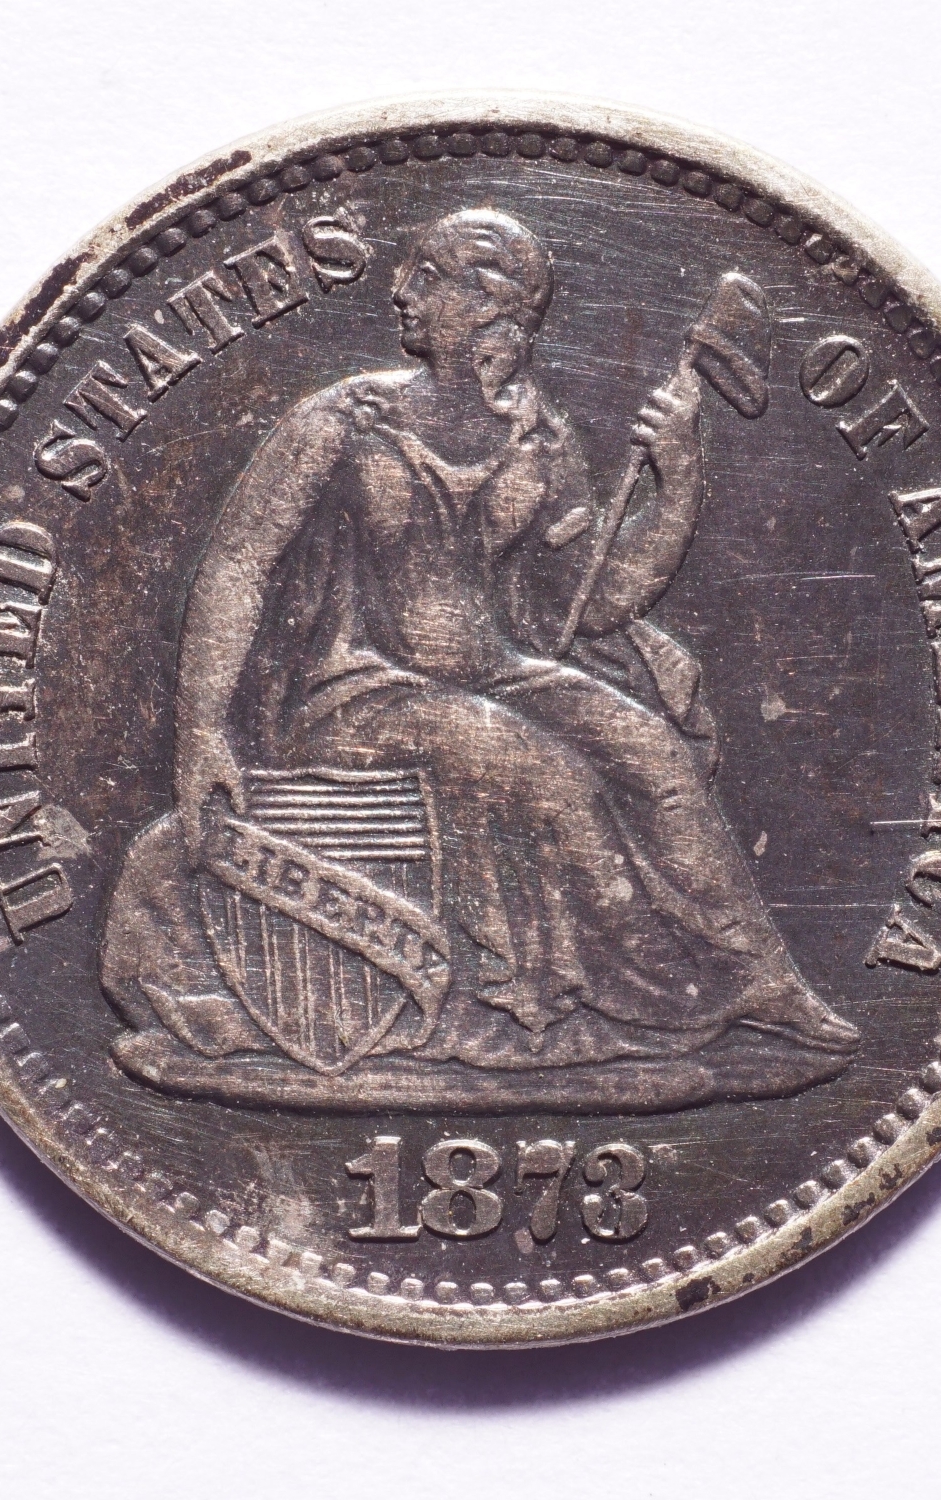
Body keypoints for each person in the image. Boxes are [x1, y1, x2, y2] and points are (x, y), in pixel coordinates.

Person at [102, 208, 858, 1072]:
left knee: (654, 753)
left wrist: (678, 484)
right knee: (543, 769)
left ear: (489, 309)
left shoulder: (539, 441)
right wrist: (201, 728)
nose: (401, 290)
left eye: (428, 277)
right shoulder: (342, 422)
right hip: (348, 693)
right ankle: (667, 996)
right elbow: (239, 565)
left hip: (495, 674)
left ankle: (759, 981)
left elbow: (594, 605)